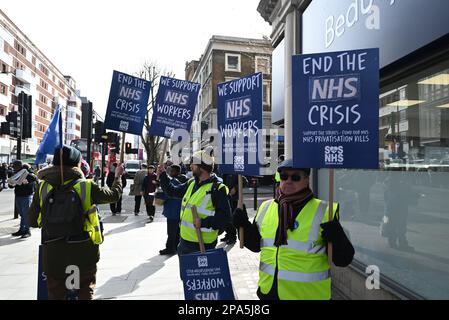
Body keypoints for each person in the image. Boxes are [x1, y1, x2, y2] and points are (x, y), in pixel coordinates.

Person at [233, 159, 355, 300]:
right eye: (284, 176)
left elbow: (343, 260)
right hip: (269, 293)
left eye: (295, 177)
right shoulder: (266, 208)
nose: (288, 181)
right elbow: (254, 245)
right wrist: (243, 226)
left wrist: (338, 237)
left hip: (307, 296)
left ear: (306, 180)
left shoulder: (325, 211)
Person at [28, 145, 124, 300]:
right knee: (84, 291)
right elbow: (113, 196)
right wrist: (118, 177)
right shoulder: (86, 185)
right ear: (77, 164)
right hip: (83, 251)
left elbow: (32, 221)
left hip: (54, 253)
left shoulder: (42, 186)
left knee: (56, 293)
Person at [158, 149, 231, 257]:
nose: (191, 166)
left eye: (194, 163)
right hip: (184, 242)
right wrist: (163, 175)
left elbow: (225, 218)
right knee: (185, 274)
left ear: (202, 167)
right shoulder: (192, 183)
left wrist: (203, 222)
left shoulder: (217, 189)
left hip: (202, 245)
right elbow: (172, 191)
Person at [159, 164, 185, 255]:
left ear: (177, 172)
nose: (170, 172)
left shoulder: (174, 182)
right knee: (177, 231)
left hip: (172, 211)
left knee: (171, 232)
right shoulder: (184, 181)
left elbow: (167, 194)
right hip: (180, 211)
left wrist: (158, 196)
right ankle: (176, 246)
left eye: (172, 171)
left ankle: (170, 248)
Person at [9, 160, 37, 239]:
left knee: (26, 214)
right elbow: (11, 185)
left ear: (20, 166)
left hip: (26, 196)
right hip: (18, 196)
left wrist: (26, 175)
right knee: (22, 214)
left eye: (15, 166)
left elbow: (34, 178)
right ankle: (22, 229)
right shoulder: (16, 173)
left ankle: (27, 231)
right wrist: (11, 182)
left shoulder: (27, 172)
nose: (14, 168)